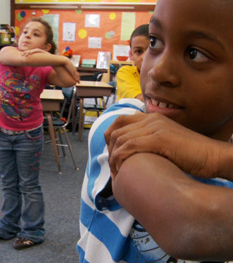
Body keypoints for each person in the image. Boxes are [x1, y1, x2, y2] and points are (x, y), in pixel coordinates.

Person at [77, 0, 233, 262]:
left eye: (195, 53)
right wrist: (218, 159)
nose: (158, 71)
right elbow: (190, 223)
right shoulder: (123, 123)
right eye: (155, 43)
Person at [0, 17, 79, 250]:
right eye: (25, 31)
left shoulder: (45, 68)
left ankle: (33, 231)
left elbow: (71, 79)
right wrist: (61, 58)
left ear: (46, 46)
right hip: (1, 132)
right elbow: (15, 57)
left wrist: (56, 61)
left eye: (35, 34)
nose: (26, 35)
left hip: (29, 134)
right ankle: (8, 226)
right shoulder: (8, 52)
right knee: (8, 183)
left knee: (29, 185)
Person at [116, 24, 149, 102]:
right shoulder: (125, 72)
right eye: (138, 51)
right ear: (131, 55)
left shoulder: (165, 75)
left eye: (151, 50)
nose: (144, 57)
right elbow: (141, 101)